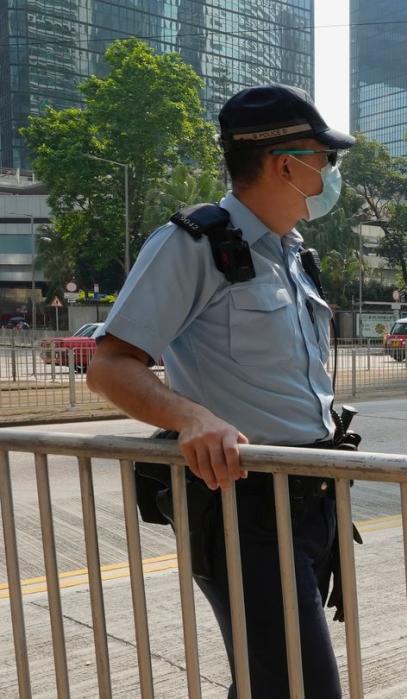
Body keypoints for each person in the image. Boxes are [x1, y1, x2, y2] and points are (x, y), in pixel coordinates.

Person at [86, 84, 355, 697]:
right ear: (287, 165)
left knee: (266, 682)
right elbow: (109, 364)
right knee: (300, 688)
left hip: (310, 497)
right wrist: (190, 417)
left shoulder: (292, 256)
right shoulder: (195, 245)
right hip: (244, 504)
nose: (330, 174)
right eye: (325, 159)